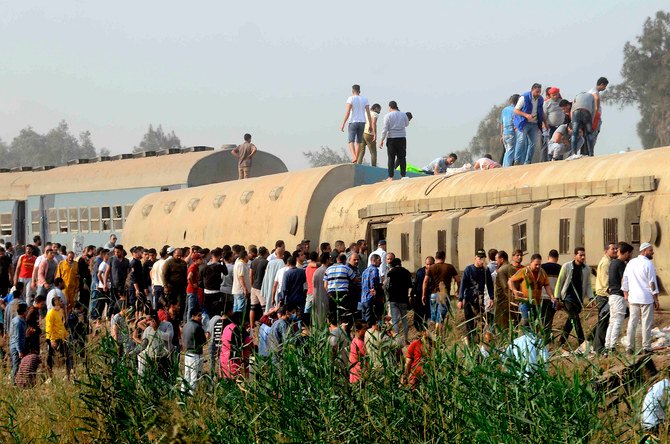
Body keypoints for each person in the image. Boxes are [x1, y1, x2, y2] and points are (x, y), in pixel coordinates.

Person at [623, 242, 659, 354]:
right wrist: (656, 299)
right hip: (646, 298)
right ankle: (646, 347)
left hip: (633, 298)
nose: (652, 252)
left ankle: (629, 347)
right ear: (644, 251)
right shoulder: (648, 264)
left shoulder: (631, 263)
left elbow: (625, 279)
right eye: (650, 250)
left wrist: (625, 294)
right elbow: (652, 282)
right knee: (646, 323)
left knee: (632, 322)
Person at [555, 247, 592, 355]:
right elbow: (560, 280)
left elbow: (588, 284)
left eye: (584, 255)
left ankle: (561, 342)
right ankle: (582, 342)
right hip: (567, 297)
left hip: (578, 299)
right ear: (575, 255)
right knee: (575, 318)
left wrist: (590, 297)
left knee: (570, 321)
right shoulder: (567, 266)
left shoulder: (586, 269)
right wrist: (557, 297)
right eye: (580, 255)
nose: (583, 257)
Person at [508, 254, 555, 326]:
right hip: (525, 302)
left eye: (539, 264)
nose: (538, 266)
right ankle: (522, 335)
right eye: (536, 264)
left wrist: (552, 296)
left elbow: (546, 285)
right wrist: (514, 291)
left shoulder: (542, 272)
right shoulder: (524, 271)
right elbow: (510, 281)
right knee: (526, 321)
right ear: (531, 262)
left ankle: (531, 336)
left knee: (534, 323)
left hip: (537, 303)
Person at [457, 250, 494, 343]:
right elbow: (463, 284)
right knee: (469, 322)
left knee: (482, 320)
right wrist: (460, 299)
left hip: (480, 300)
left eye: (483, 258)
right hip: (469, 299)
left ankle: (482, 341)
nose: (481, 260)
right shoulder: (469, 269)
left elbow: (489, 285)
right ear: (476, 258)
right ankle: (471, 342)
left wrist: (491, 298)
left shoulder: (486, 270)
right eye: (479, 258)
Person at [588, 242, 619, 354]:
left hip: (605, 295)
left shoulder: (609, 261)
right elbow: (606, 282)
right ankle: (598, 347)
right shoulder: (606, 263)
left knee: (603, 321)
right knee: (603, 321)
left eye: (616, 248)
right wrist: (612, 293)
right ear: (606, 250)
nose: (615, 250)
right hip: (604, 296)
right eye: (613, 249)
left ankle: (594, 341)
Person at [604, 242, 634, 354]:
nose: (630, 256)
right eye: (630, 253)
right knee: (618, 321)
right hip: (618, 296)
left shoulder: (612, 263)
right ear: (626, 253)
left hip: (612, 296)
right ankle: (612, 346)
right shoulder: (621, 264)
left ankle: (608, 346)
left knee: (612, 321)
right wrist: (628, 293)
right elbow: (623, 280)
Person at [423, 250, 459, 329]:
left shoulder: (431, 267)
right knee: (440, 318)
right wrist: (458, 289)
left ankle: (432, 334)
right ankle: (438, 336)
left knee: (433, 317)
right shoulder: (450, 267)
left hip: (433, 295)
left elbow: (425, 281)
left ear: (435, 258)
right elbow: (458, 280)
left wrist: (423, 294)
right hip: (444, 295)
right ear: (444, 257)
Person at [513, 83, 545, 165]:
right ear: (532, 90)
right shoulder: (524, 97)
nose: (538, 94)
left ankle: (528, 161)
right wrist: (526, 115)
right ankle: (517, 161)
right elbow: (516, 110)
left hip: (534, 123)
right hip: (523, 123)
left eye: (539, 92)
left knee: (533, 143)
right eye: (536, 92)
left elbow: (541, 112)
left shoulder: (540, 99)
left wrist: (545, 122)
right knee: (521, 141)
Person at [341, 84, 373, 163]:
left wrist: (343, 123)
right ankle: (356, 159)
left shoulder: (350, 98)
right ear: (359, 91)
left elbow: (348, 112)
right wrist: (371, 125)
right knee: (359, 141)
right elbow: (368, 113)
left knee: (351, 141)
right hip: (362, 122)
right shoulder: (365, 99)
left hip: (353, 122)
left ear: (352, 91)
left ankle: (354, 156)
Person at [379, 101, 410, 181]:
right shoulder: (403, 114)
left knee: (391, 158)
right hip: (402, 138)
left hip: (391, 139)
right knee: (402, 157)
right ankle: (403, 175)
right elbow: (407, 124)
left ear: (390, 107)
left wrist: (381, 139)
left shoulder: (387, 116)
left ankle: (390, 177)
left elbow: (385, 129)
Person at [219, 312, 253, 380]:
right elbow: (250, 345)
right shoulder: (240, 330)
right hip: (236, 366)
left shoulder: (227, 327)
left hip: (224, 364)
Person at [45, 294, 72, 380]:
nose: (61, 302)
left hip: (61, 337)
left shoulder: (60, 311)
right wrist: (51, 340)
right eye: (60, 301)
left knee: (68, 355)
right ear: (56, 302)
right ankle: (50, 376)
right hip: (54, 338)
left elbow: (61, 325)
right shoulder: (51, 314)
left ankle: (68, 375)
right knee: (51, 357)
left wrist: (65, 335)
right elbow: (49, 327)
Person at [324, 253, 357, 325]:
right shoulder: (346, 268)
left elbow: (325, 285)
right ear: (345, 260)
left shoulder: (328, 269)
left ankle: (332, 330)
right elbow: (355, 280)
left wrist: (328, 293)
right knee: (343, 313)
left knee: (332, 313)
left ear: (337, 260)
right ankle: (343, 330)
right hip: (343, 293)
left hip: (331, 293)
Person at [386, 258, 412, 344]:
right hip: (403, 299)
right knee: (404, 320)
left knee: (395, 320)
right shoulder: (406, 272)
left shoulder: (391, 273)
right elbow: (410, 285)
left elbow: (387, 285)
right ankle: (406, 339)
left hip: (393, 299)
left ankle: (396, 339)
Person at [181, 307, 206, 394]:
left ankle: (183, 393)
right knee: (194, 377)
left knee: (186, 375)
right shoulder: (198, 327)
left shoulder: (185, 326)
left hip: (187, 354)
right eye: (199, 316)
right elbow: (204, 342)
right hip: (195, 354)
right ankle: (191, 395)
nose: (201, 317)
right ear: (193, 316)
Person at [540, 250, 561, 336]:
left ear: (548, 257)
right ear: (557, 258)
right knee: (549, 320)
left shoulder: (541, 267)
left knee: (542, 320)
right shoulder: (561, 268)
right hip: (554, 298)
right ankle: (547, 337)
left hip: (543, 296)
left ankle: (544, 339)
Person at [494, 250, 516, 332]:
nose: (496, 262)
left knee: (502, 327)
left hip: (503, 301)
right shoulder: (513, 268)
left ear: (502, 259)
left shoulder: (502, 270)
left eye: (496, 259)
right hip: (513, 302)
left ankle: (504, 344)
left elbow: (505, 287)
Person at [542, 87, 565, 161]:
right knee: (551, 143)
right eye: (553, 95)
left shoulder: (561, 102)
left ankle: (560, 158)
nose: (555, 96)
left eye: (556, 94)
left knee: (561, 142)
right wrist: (545, 125)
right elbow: (544, 115)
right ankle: (550, 159)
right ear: (550, 95)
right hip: (551, 127)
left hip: (561, 126)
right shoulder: (547, 103)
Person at [360, 253, 384, 326]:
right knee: (370, 319)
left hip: (363, 298)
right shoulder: (375, 270)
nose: (381, 262)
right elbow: (374, 283)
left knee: (364, 318)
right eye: (379, 260)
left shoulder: (365, 271)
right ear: (374, 260)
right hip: (370, 297)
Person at [411, 256, 433, 331]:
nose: (429, 266)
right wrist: (412, 294)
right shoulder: (420, 271)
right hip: (419, 296)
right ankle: (421, 332)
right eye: (427, 264)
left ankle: (426, 331)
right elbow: (415, 283)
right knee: (418, 316)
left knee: (428, 315)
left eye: (430, 264)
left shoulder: (435, 272)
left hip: (430, 296)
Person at [570, 92, 596, 156]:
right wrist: (591, 121)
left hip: (576, 112)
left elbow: (572, 109)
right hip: (586, 112)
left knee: (574, 133)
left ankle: (574, 153)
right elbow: (594, 110)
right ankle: (591, 153)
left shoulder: (577, 95)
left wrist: (572, 121)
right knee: (589, 133)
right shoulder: (592, 97)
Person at [249, 246, 268, 327]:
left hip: (254, 287)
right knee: (264, 308)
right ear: (265, 253)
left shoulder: (253, 262)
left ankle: (251, 324)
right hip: (261, 287)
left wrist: (252, 285)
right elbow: (267, 275)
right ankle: (265, 325)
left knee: (252, 307)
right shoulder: (266, 262)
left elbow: (250, 275)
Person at [588, 77, 609, 151]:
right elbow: (596, 98)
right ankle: (591, 151)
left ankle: (590, 151)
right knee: (594, 134)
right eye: (605, 86)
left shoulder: (591, 91)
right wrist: (597, 109)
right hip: (595, 117)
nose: (605, 88)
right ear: (602, 84)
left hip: (593, 116)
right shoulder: (594, 91)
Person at [9, 302, 28, 383]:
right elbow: (17, 337)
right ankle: (13, 383)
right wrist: (20, 351)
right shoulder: (18, 322)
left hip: (18, 346)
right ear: (24, 312)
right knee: (16, 366)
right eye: (26, 310)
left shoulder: (19, 320)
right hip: (16, 348)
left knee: (18, 366)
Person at [311, 253, 331, 327]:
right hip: (324, 297)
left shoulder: (316, 271)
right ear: (327, 260)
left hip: (316, 296)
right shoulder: (327, 271)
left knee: (317, 318)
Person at [501, 94, 520, 167]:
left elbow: (502, 123)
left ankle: (504, 166)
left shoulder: (504, 110)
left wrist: (502, 135)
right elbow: (515, 122)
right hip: (512, 132)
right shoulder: (515, 110)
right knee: (511, 151)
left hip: (505, 133)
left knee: (507, 151)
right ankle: (507, 167)